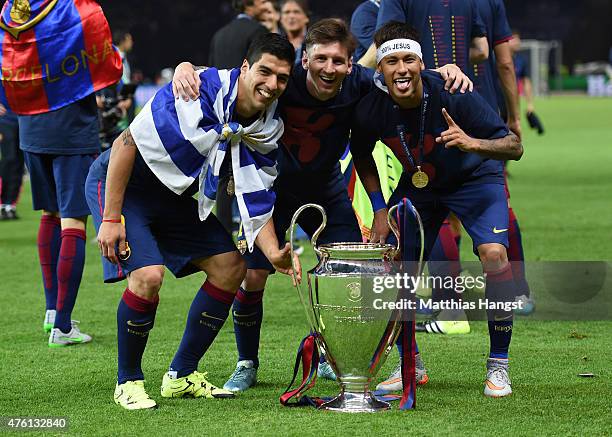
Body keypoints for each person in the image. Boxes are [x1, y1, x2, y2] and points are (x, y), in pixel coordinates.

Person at [173, 18, 473, 393]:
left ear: (351, 65)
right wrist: (186, 68)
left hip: (328, 190)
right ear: (304, 60)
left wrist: (442, 71)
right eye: (321, 59)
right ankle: (246, 363)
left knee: (362, 277)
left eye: (338, 61)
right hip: (272, 191)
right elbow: (229, 77)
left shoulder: (361, 84)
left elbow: (405, 75)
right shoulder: (280, 80)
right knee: (253, 277)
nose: (329, 68)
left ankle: (395, 359)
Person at [86, 33, 299, 411]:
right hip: (124, 185)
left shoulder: (267, 126)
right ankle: (128, 381)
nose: (272, 84)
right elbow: (126, 144)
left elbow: (256, 196)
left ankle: (181, 375)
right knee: (148, 276)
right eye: (265, 71)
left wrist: (273, 253)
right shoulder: (196, 89)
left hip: (175, 198)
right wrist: (109, 218)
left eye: (282, 78)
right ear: (245, 67)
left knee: (230, 267)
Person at [350, 21, 523, 397]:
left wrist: (472, 142)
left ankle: (499, 365)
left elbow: (514, 146)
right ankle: (409, 361)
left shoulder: (453, 91)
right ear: (379, 70)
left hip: (475, 180)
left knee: (494, 255)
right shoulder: (371, 106)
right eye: (392, 61)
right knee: (393, 263)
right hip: (419, 184)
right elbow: (361, 154)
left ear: (421, 64)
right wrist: (380, 209)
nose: (402, 69)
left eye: (409, 60)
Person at [0, 0, 123, 346]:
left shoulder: (12, 11)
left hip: (30, 127)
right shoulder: (77, 10)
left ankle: (52, 312)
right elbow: (109, 64)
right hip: (70, 127)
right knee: (73, 222)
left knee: (50, 215)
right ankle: (63, 327)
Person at [209, 0, 271, 234]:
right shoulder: (258, 31)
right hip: (250, 114)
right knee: (254, 175)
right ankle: (252, 235)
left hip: (222, 113)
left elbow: (214, 73)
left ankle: (223, 234)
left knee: (225, 176)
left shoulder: (219, 34)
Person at [359, 0, 489, 70]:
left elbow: (385, 44)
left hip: (420, 96)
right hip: (458, 92)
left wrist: (350, 77)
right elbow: (482, 51)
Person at [0, 108, 23, 220]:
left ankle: (10, 205)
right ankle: (3, 203)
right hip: (4, 119)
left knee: (19, 163)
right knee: (9, 160)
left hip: (24, 119)